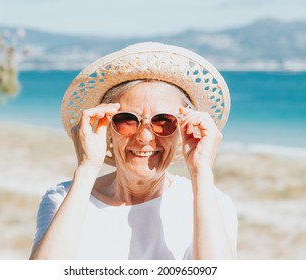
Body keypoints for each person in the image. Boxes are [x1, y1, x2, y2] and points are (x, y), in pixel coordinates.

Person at [29, 42, 237, 260]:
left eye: (164, 121)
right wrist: (87, 168)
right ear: (107, 129)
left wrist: (201, 173)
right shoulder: (64, 199)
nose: (145, 137)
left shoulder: (213, 204)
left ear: (184, 129)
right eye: (127, 120)